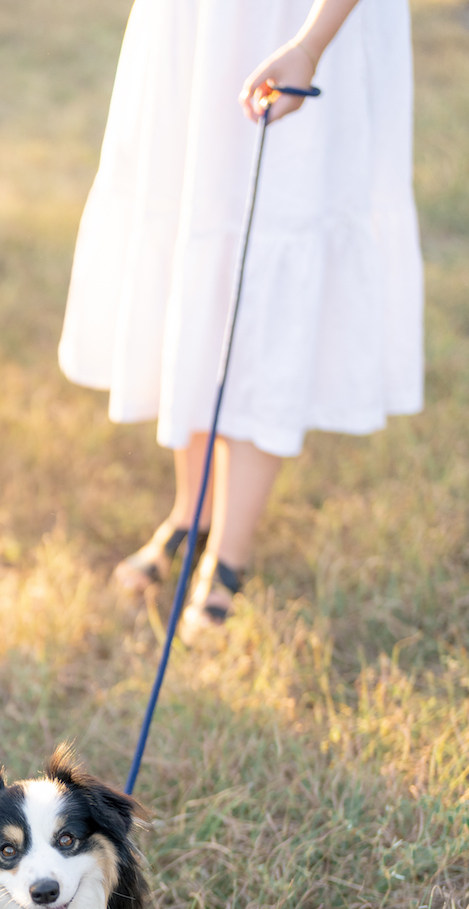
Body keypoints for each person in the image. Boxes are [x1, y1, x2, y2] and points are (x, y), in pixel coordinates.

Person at [58, 0, 423, 639]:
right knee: (193, 246)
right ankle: (191, 512)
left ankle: (230, 553)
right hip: (197, 24)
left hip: (300, 20)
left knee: (271, 252)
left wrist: (311, 43)